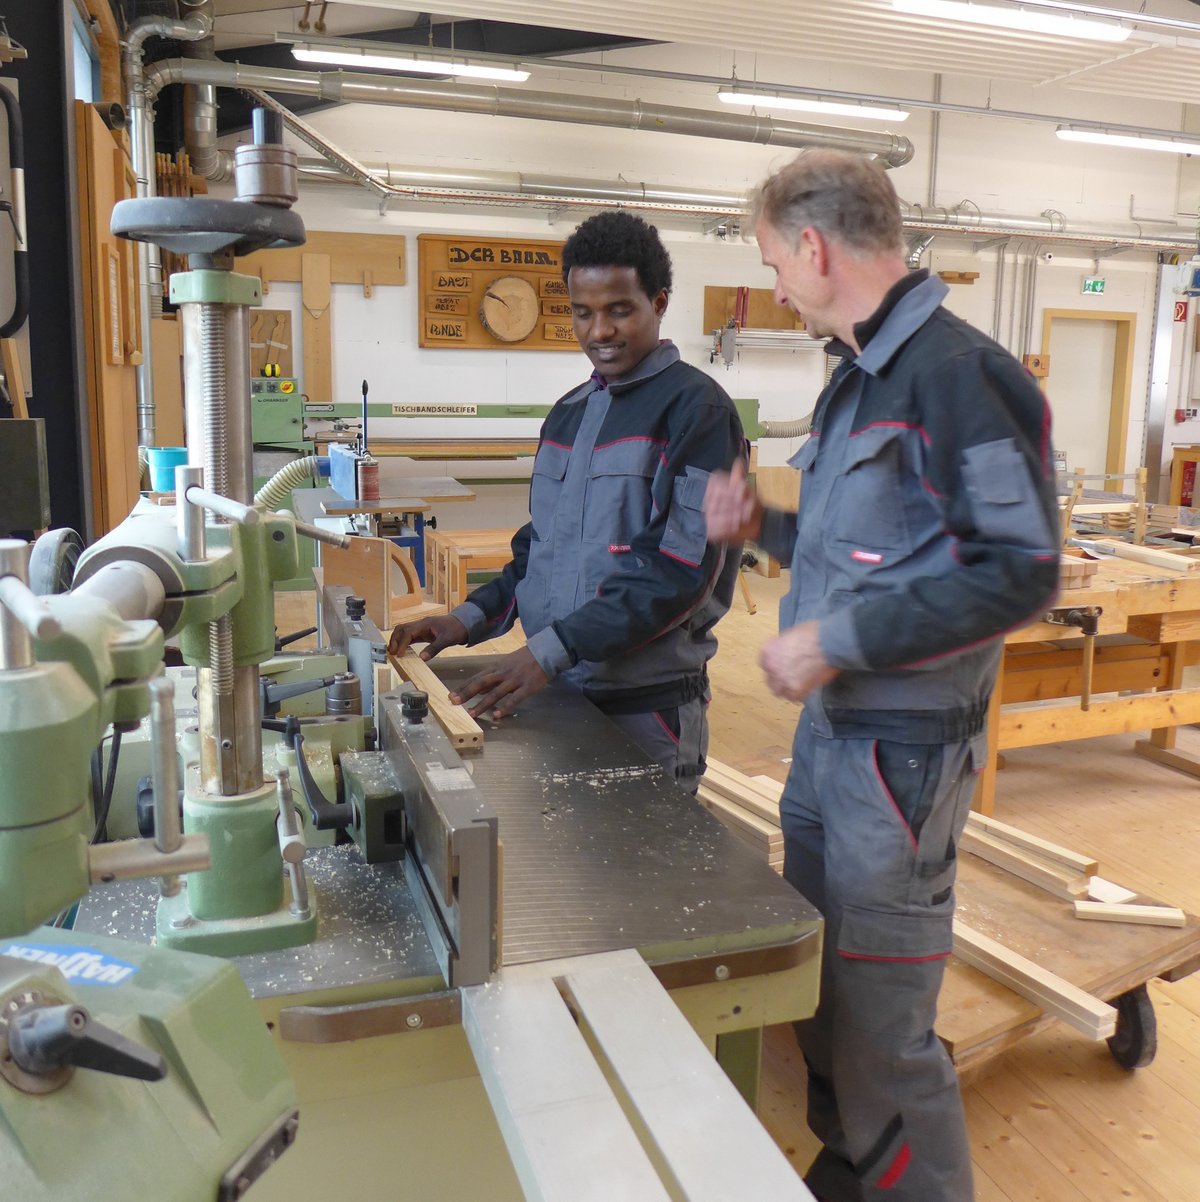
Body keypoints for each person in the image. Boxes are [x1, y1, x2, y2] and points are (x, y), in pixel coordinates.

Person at [704, 150, 1059, 1202]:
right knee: (817, 984)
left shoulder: (958, 375)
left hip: (899, 757)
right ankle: (858, 1169)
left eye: (773, 261)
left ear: (814, 248)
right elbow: (877, 544)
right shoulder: (860, 376)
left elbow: (1019, 568)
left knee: (881, 1027)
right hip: (831, 744)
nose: (772, 283)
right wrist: (762, 527)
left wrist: (835, 643)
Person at [389, 211, 745, 787]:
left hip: (645, 708)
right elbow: (540, 553)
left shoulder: (697, 413)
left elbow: (680, 572)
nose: (599, 331)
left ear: (658, 301)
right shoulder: (570, 412)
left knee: (647, 869)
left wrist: (548, 652)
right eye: (583, 313)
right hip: (561, 688)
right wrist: (464, 620)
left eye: (619, 310)